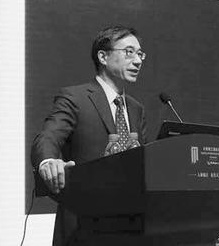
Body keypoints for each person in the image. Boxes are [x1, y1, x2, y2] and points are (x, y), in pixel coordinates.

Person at [30, 25, 148, 246]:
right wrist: (48, 161)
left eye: (140, 54)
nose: (138, 60)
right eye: (129, 52)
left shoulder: (136, 109)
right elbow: (47, 137)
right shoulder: (76, 98)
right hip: (83, 227)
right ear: (103, 56)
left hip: (130, 227)